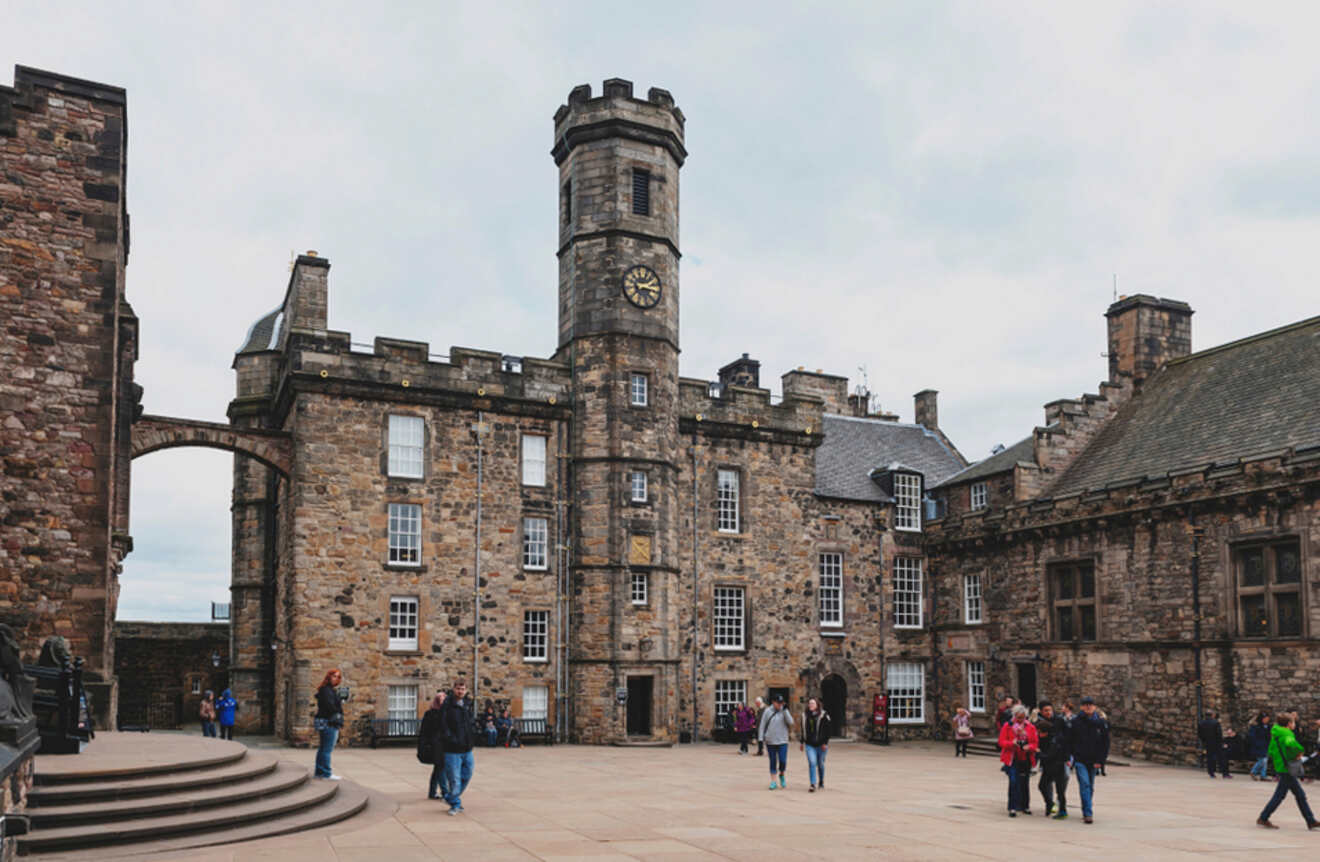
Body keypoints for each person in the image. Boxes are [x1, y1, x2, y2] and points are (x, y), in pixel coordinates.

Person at [1257, 711, 1318, 829]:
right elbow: (1292, 745)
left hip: (1281, 766)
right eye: (1293, 722)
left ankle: (1310, 820)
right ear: (1289, 724)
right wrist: (1300, 752)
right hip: (1287, 768)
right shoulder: (1287, 734)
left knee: (1296, 795)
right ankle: (1264, 817)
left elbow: (1271, 750)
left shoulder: (1276, 733)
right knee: (1285, 795)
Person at [1065, 695, 1110, 824]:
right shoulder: (1076, 722)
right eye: (1086, 705)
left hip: (1094, 759)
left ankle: (1086, 806)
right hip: (1080, 759)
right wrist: (1069, 756)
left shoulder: (1101, 723)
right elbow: (1070, 740)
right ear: (1082, 707)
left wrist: (1101, 761)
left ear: (1094, 707)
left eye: (1091, 704)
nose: (1088, 707)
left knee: (1090, 786)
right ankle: (1088, 813)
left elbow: (1105, 743)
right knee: (1084, 784)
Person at [441, 679, 476, 815]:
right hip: (452, 749)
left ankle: (450, 797)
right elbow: (443, 726)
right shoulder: (447, 705)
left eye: (462, 689)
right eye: (458, 689)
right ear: (453, 689)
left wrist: (472, 737)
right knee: (454, 779)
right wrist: (452, 739)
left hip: (467, 748)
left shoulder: (467, 704)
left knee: (467, 775)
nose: (460, 691)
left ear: (466, 690)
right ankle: (455, 804)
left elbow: (470, 723)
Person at [998, 705, 1038, 817]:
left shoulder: (1030, 727)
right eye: (1019, 717)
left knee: (1025, 783)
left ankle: (1025, 806)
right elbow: (1001, 742)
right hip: (1012, 758)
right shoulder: (1007, 726)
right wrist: (1012, 743)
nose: (1021, 719)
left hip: (1025, 758)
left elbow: (1035, 743)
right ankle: (1012, 807)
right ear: (1014, 716)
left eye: (1023, 717)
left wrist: (1029, 747)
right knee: (1013, 781)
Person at [1034, 700, 1070, 819]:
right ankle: (1050, 805)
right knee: (1044, 785)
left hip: (1057, 760)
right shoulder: (1039, 722)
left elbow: (1067, 738)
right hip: (1048, 761)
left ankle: (1062, 810)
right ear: (1041, 711)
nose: (1048, 712)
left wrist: (1067, 757)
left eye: (1050, 710)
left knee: (1060, 787)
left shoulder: (1059, 721)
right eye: (1045, 710)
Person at [758, 693, 795, 790]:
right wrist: (760, 739)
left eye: (781, 703)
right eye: (778, 703)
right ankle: (773, 781)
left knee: (783, 761)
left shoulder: (784, 711)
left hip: (783, 740)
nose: (780, 705)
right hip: (770, 740)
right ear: (773, 702)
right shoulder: (767, 711)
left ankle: (782, 774)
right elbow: (762, 725)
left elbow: (791, 722)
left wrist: (786, 710)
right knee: (773, 761)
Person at [313, 670, 344, 780]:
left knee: (323, 749)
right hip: (328, 722)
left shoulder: (328, 690)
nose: (336, 678)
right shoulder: (326, 690)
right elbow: (329, 706)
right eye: (334, 676)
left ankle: (319, 772)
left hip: (324, 721)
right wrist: (338, 710)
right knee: (327, 749)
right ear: (329, 677)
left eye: (338, 676)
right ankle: (326, 773)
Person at [418, 690, 448, 799]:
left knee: (438, 769)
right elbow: (425, 732)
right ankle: (445, 792)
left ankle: (432, 792)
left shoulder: (445, 713)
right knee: (441, 769)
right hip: (435, 745)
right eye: (441, 700)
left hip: (442, 745)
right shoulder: (431, 714)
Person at [800, 697, 831, 792]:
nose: (811, 705)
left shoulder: (823, 715)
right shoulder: (804, 715)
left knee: (820, 764)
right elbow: (803, 730)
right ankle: (812, 784)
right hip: (809, 744)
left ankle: (821, 781)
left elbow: (828, 730)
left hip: (821, 744)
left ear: (817, 705)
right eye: (810, 703)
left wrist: (825, 742)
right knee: (812, 763)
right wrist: (802, 742)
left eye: (813, 703)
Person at [1198, 710, 1230, 779]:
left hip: (1208, 743)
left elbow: (1200, 734)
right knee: (1221, 758)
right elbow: (1219, 734)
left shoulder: (1201, 723)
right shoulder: (1216, 723)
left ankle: (1211, 773)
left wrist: (1204, 741)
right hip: (1217, 743)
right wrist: (1222, 742)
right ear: (1212, 715)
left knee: (1210, 758)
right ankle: (1225, 773)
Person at [1247, 712, 1272, 781]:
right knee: (1262, 760)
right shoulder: (1256, 726)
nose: (1266, 720)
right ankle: (1253, 772)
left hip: (1266, 745)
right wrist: (1257, 743)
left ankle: (1263, 775)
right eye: (1265, 719)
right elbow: (1252, 736)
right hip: (1258, 745)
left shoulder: (1268, 726)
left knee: (1265, 760)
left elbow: (1269, 736)